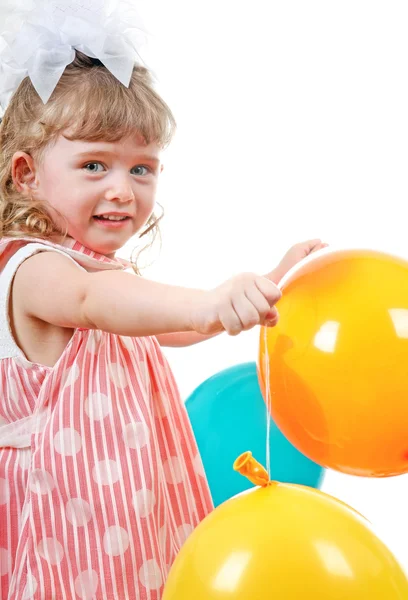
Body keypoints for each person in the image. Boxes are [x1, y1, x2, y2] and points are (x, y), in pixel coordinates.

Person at [0, 2, 326, 598]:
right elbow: (94, 298)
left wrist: (262, 286)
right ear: (26, 174)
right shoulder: (32, 268)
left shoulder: (112, 277)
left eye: (142, 169)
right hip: (68, 526)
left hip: (134, 511)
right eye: (93, 164)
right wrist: (208, 301)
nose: (122, 189)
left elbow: (167, 328)